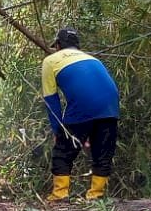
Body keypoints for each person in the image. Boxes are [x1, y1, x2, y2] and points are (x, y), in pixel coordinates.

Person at [40, 27, 120, 201]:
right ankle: (96, 196)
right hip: (111, 107)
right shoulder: (93, 59)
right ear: (77, 46)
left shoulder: (50, 61)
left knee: (63, 151)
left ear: (58, 45)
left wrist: (58, 130)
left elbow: (51, 100)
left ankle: (60, 195)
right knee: (102, 152)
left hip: (83, 106)